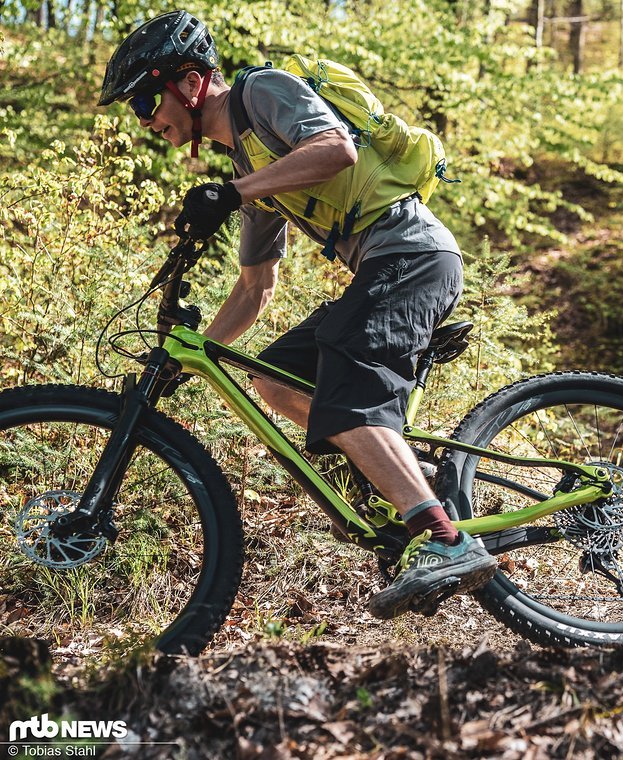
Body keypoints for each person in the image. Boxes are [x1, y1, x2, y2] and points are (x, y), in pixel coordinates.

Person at [97, 9, 497, 619]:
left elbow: (333, 148)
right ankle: (407, 475)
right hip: (381, 266)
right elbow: (256, 287)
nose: (147, 118)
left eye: (148, 99)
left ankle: (448, 541)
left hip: (413, 255)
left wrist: (233, 194)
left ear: (190, 81)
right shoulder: (246, 168)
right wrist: (185, 355)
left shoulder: (261, 91)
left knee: (345, 386)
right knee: (274, 379)